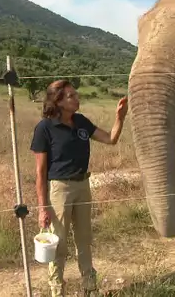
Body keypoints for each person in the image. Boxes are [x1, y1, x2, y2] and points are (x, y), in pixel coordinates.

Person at [30, 79, 128, 296]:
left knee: (84, 239)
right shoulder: (45, 128)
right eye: (71, 96)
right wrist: (42, 207)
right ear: (59, 101)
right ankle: (57, 290)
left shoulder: (81, 121)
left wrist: (119, 118)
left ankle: (90, 288)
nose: (77, 98)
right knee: (58, 243)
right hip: (60, 190)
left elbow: (111, 139)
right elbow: (40, 172)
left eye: (75, 94)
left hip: (83, 185)